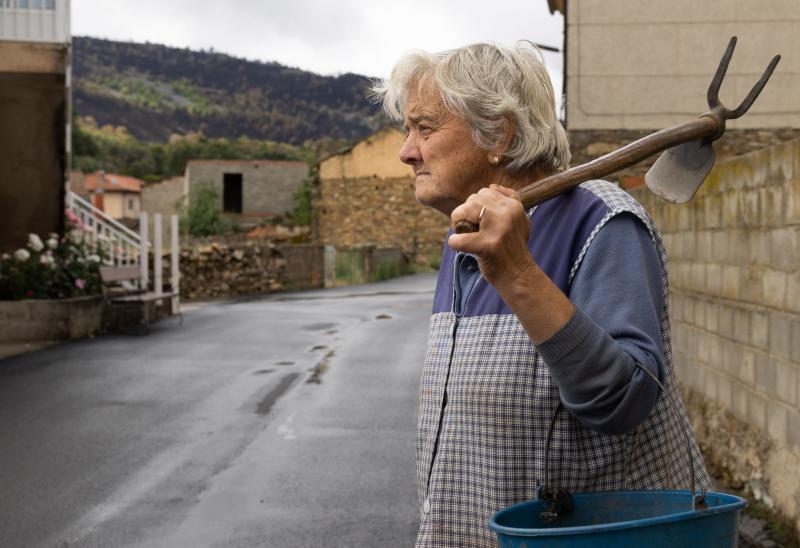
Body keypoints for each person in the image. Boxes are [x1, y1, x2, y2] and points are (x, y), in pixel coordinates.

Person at [374, 42, 712, 547]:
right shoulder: (468, 233)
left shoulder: (601, 222)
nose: (407, 151)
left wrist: (517, 273)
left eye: (425, 128)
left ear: (499, 134)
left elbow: (623, 401)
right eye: (407, 130)